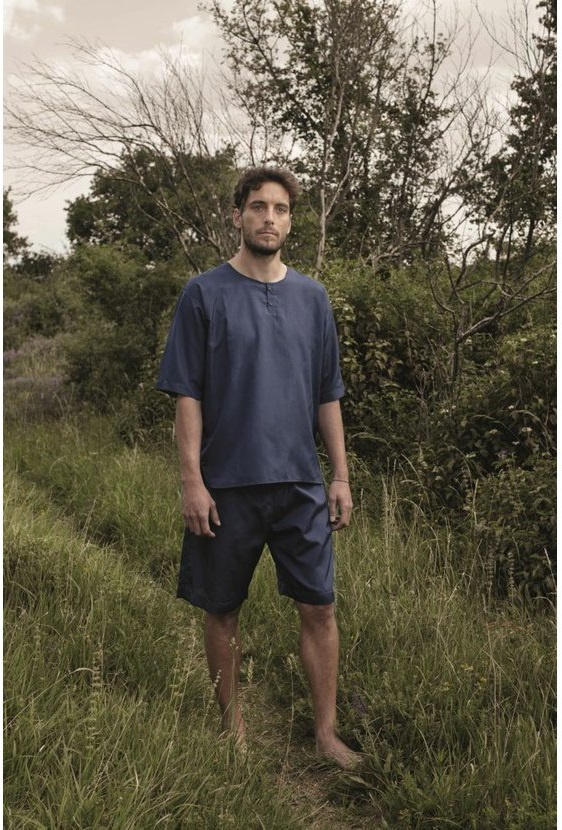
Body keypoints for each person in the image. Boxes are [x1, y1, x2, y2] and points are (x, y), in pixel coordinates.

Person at [156, 166, 359, 769]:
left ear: (290, 221)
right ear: (238, 215)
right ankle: (234, 733)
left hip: (299, 484)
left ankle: (327, 735)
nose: (269, 218)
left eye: (280, 209)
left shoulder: (313, 298)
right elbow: (187, 394)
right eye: (258, 207)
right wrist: (192, 482)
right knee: (222, 610)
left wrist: (340, 476)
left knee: (320, 607)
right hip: (226, 486)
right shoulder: (203, 294)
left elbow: (328, 395)